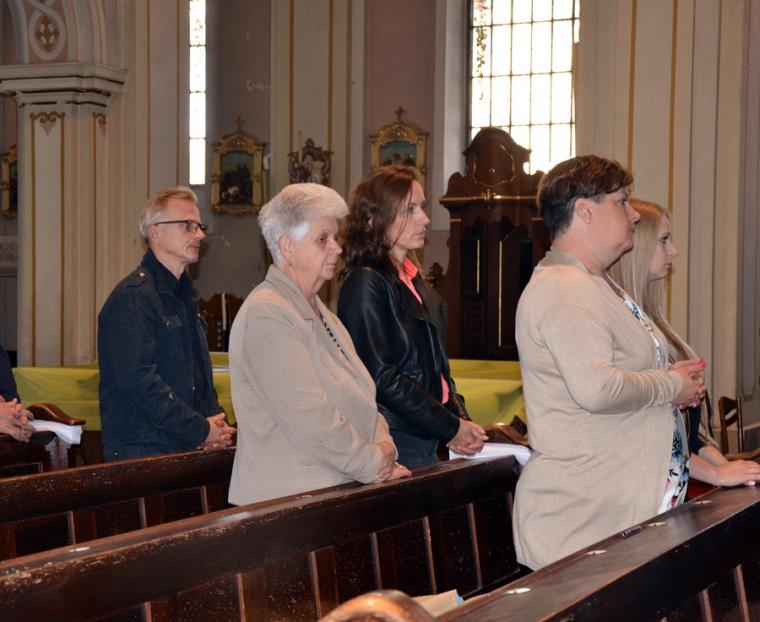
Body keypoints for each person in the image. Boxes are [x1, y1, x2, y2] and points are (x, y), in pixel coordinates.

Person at [512, 155, 706, 570]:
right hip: (583, 521)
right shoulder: (562, 289)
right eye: (621, 201)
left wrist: (669, 382)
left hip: (617, 515)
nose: (633, 214)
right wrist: (671, 385)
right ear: (585, 210)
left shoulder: (596, 283)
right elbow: (597, 388)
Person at [227, 183, 410, 505]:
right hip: (286, 504)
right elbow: (311, 417)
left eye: (335, 237)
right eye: (323, 238)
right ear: (287, 247)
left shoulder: (325, 315)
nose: (337, 248)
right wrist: (372, 463)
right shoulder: (267, 313)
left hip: (332, 493)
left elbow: (364, 397)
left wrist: (385, 448)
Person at [337, 165, 487, 467]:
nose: (425, 218)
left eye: (422, 207)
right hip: (395, 436)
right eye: (410, 209)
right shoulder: (366, 281)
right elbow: (381, 377)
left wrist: (458, 419)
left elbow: (437, 367)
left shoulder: (411, 277)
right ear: (373, 219)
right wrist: (450, 427)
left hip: (425, 430)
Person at [608, 199, 760, 488]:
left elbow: (692, 438)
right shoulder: (622, 328)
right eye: (664, 240)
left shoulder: (652, 323)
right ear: (639, 247)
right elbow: (642, 431)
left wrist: (728, 468)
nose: (674, 251)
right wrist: (717, 474)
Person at [98, 186, 235, 461]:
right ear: (155, 232)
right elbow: (140, 384)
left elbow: (200, 377)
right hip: (145, 453)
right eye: (188, 225)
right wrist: (201, 430)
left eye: (199, 226)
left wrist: (215, 426)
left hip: (182, 446)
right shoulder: (133, 297)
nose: (200, 235)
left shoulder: (184, 296)